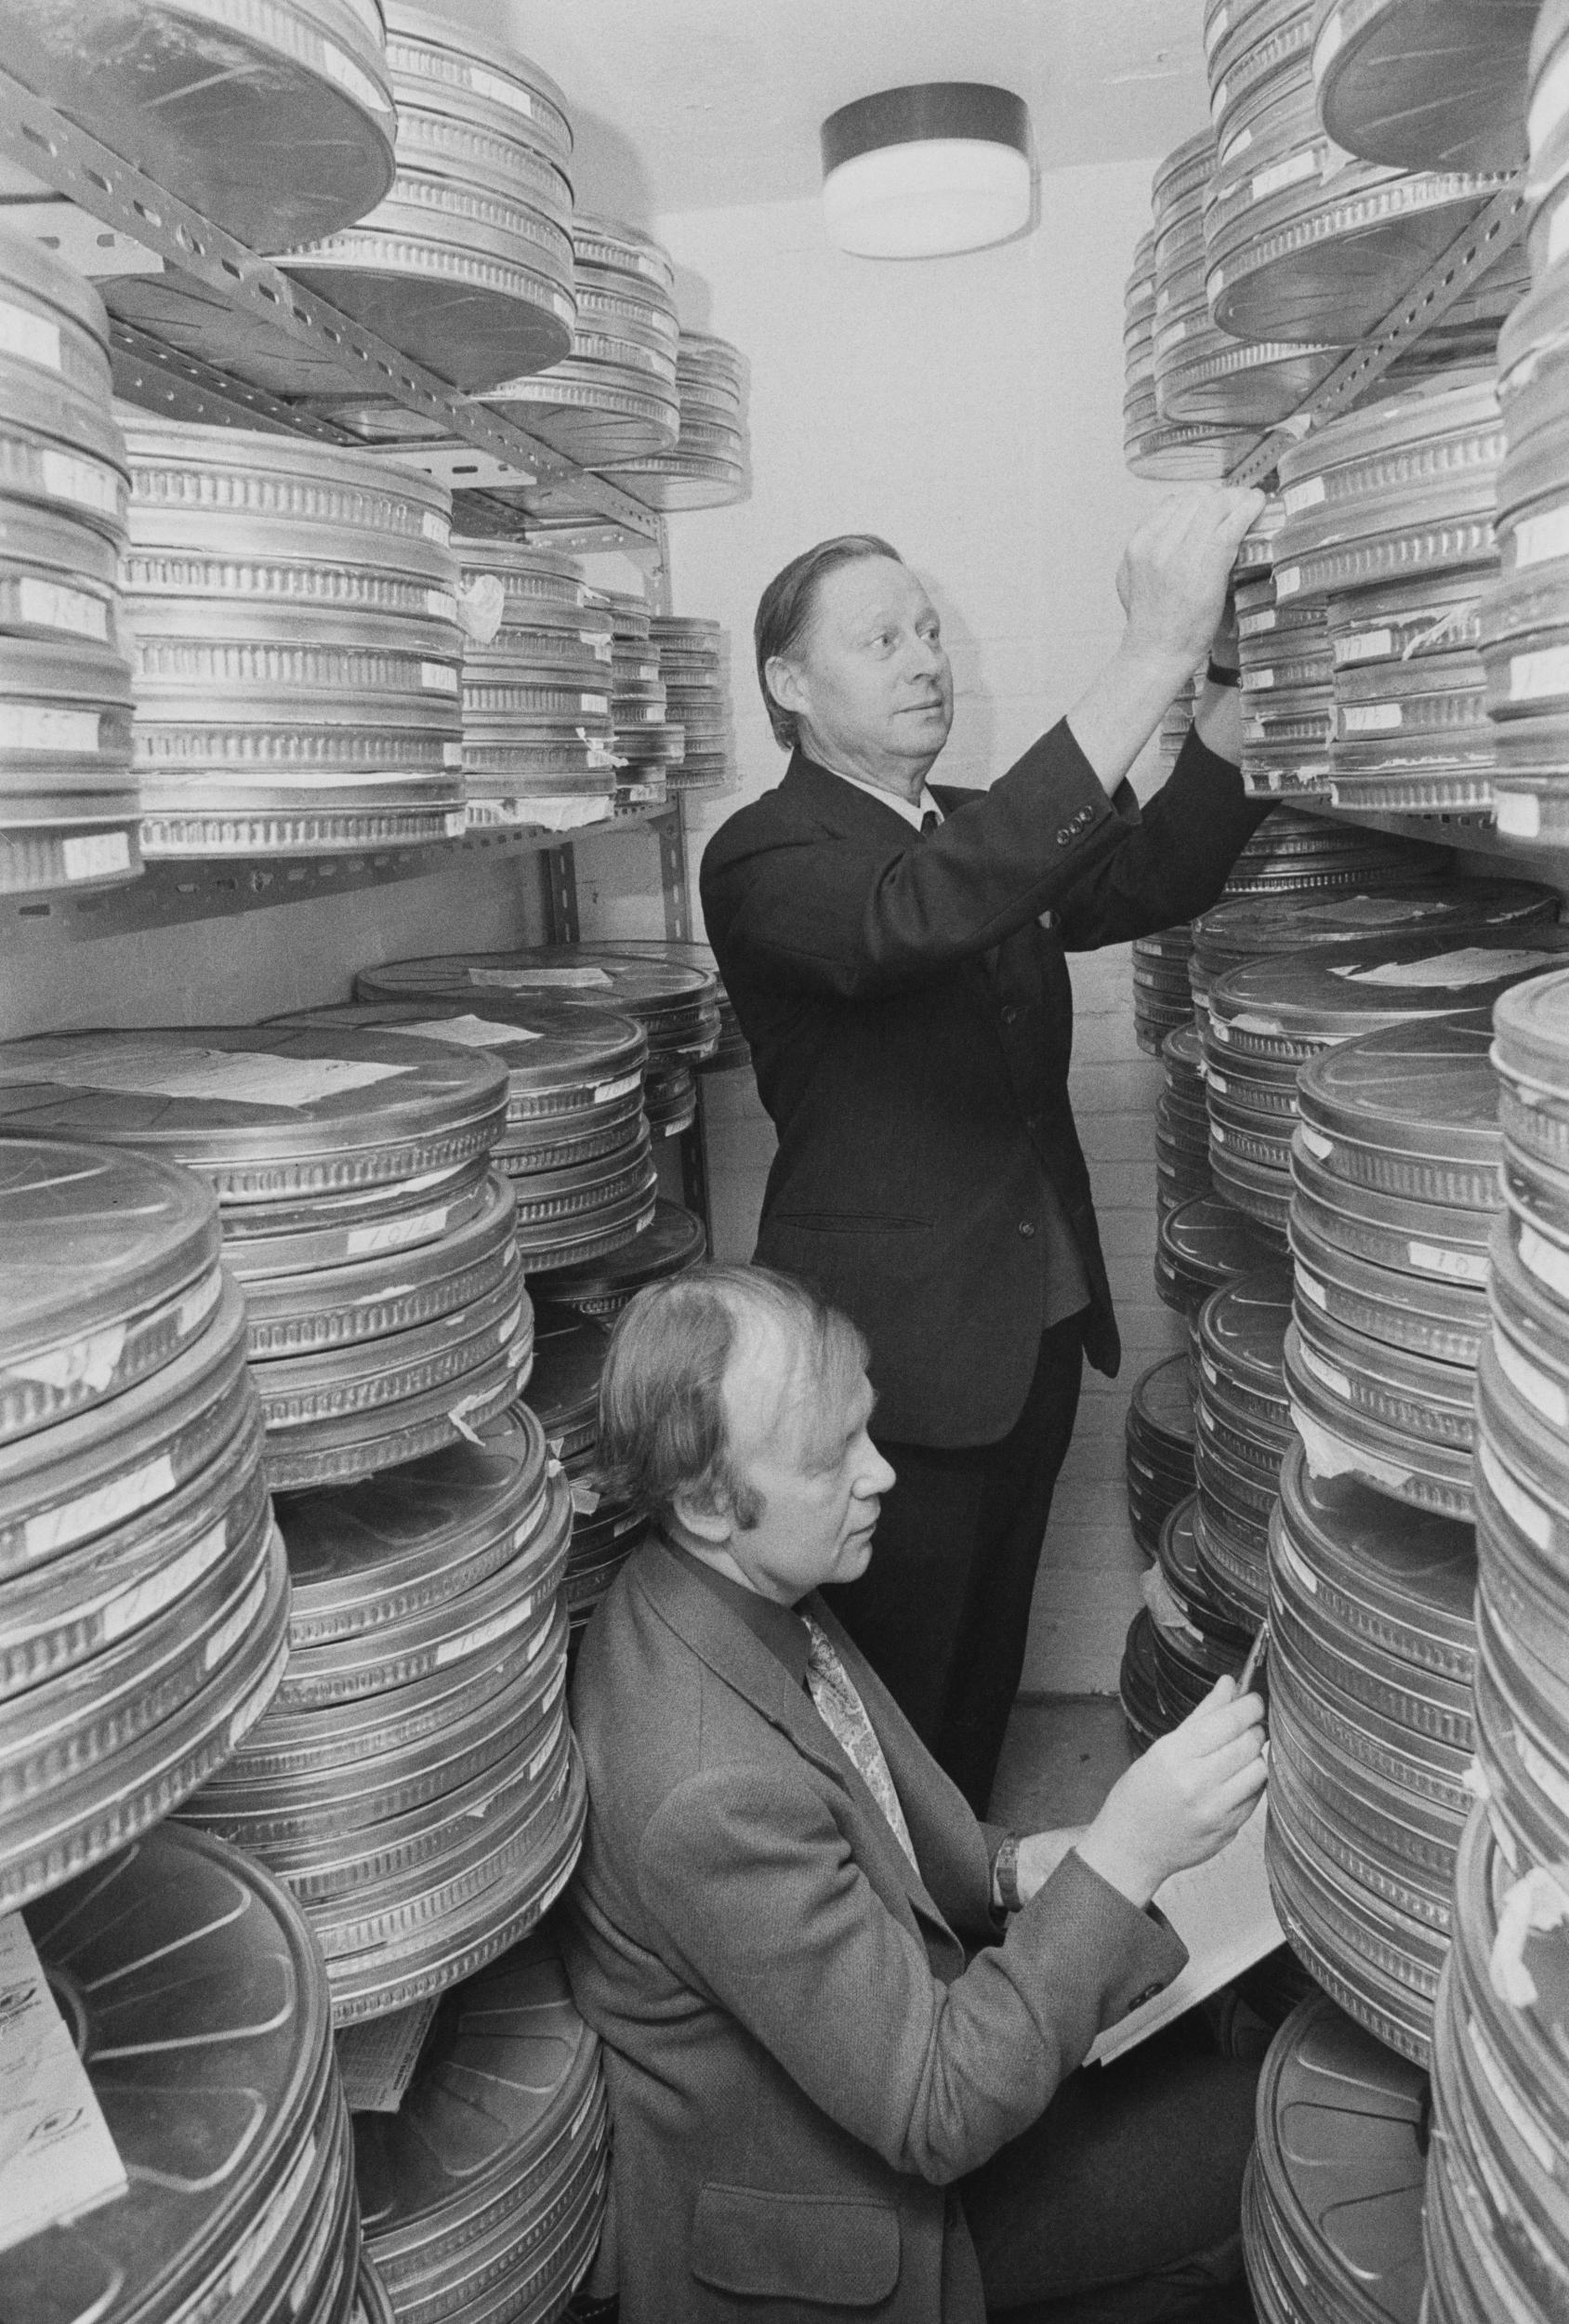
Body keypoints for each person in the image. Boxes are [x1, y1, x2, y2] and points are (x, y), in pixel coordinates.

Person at [699, 486, 1268, 1814]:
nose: (924, 662)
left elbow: (1147, 878)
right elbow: (919, 920)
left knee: (985, 1656)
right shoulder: (764, 853)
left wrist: (1227, 688)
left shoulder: (964, 823)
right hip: (892, 1360)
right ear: (787, 681)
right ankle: (894, 1957)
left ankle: (966, 1915)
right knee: (895, 1681)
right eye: (881, 641)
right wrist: (1147, 655)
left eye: (931, 633)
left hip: (1034, 1331)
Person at [562, 1262, 1269, 2324]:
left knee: (1205, 2024)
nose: (881, 1472)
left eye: (866, 1428)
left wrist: (1010, 1865)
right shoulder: (705, 1787)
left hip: (889, 2069)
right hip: (863, 2214)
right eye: (831, 1456)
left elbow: (862, 1813)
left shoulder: (717, 1588)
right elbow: (937, 2109)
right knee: (1259, 2130)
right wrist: (1122, 1851)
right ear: (708, 1499)